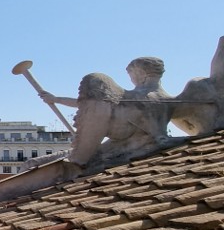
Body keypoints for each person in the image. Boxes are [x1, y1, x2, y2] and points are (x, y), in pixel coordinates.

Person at [39, 57, 172, 167]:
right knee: (42, 162)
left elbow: (90, 104)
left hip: (122, 149)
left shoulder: (135, 97)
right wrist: (56, 99)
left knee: (38, 164)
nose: (131, 79)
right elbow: (89, 104)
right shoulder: (169, 99)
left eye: (131, 75)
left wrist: (56, 99)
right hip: (120, 146)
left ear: (141, 73)